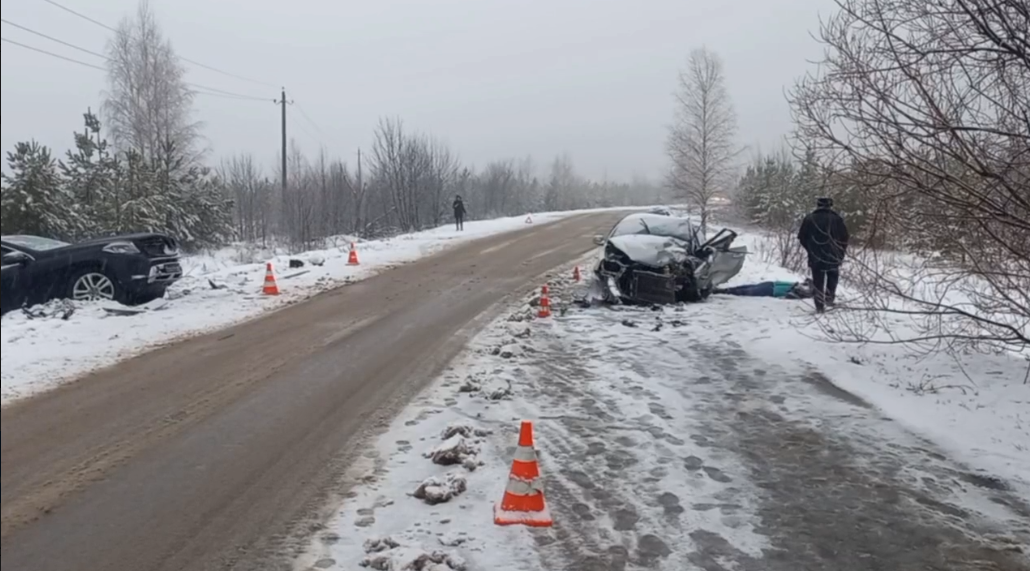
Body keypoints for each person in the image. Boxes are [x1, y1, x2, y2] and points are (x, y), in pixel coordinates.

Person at [797, 197, 849, 312]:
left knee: (818, 281)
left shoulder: (809, 219)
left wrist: (810, 249)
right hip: (833, 256)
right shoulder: (837, 219)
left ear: (818, 205)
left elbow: (802, 237)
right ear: (830, 205)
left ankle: (819, 305)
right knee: (833, 277)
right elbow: (845, 238)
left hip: (816, 256)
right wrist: (840, 253)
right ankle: (829, 300)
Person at [714, 279, 813, 299]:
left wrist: (794, 289)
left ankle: (725, 291)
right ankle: (725, 290)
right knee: (747, 288)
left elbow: (788, 296)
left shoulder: (796, 294)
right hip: (771, 285)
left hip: (770, 290)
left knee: (747, 290)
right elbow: (780, 282)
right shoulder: (795, 283)